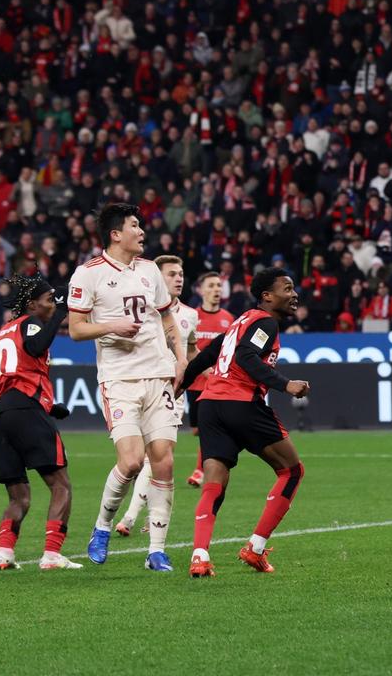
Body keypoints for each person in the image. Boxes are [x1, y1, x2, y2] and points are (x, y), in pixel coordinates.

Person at [68, 203, 187, 572]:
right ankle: (102, 526)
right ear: (116, 234)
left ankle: (156, 551)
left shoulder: (150, 270)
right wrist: (111, 326)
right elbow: (75, 329)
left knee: (164, 461)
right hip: (119, 379)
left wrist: (181, 359)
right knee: (132, 461)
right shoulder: (88, 274)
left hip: (158, 374)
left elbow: (167, 317)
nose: (142, 231)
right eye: (135, 225)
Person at [177, 267, 310, 577]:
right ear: (267, 296)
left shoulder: (241, 321)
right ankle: (255, 548)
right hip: (241, 403)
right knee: (291, 471)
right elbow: (246, 358)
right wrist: (285, 384)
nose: (294, 294)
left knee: (214, 482)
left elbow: (209, 353)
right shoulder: (266, 322)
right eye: (287, 289)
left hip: (210, 405)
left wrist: (182, 383)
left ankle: (199, 556)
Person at [0, 275, 79, 570]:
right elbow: (36, 347)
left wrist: (48, 405)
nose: (54, 304)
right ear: (32, 304)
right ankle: (52, 554)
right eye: (50, 300)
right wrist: (61, 313)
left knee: (19, 495)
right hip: (24, 410)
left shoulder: (4, 331)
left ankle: (4, 553)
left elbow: (9, 372)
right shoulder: (30, 322)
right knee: (61, 485)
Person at [114, 255, 198, 537]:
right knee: (138, 459)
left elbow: (192, 350)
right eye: (172, 274)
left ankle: (132, 517)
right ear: (156, 279)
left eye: (181, 274)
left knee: (158, 458)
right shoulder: (143, 310)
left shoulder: (190, 315)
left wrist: (209, 369)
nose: (178, 279)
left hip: (173, 393)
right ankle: (138, 515)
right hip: (142, 388)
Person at [186, 272, 235, 486]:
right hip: (195, 381)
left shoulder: (229, 319)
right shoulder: (191, 317)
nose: (216, 289)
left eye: (218, 285)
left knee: (209, 428)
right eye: (211, 285)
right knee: (197, 430)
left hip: (218, 384)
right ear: (201, 290)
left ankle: (200, 470)